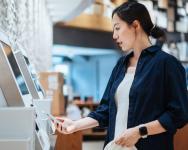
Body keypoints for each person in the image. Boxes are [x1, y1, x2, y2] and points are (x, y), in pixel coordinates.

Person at [54, 1, 188, 150]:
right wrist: (75, 125)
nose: (114, 35)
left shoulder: (167, 64)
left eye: (117, 28)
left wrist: (140, 131)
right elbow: (105, 110)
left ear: (136, 25)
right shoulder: (121, 65)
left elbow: (178, 115)